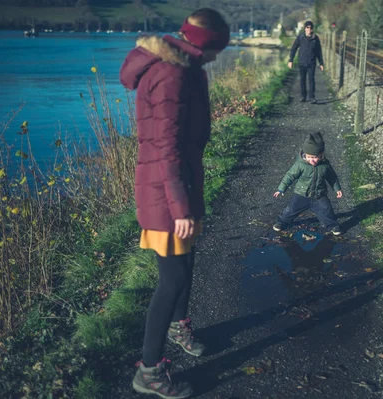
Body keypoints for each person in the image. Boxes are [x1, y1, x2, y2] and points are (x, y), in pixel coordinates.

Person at [119, 8, 229, 399]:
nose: (219, 57)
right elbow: (166, 148)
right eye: (218, 48)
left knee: (187, 263)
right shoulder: (172, 75)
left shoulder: (181, 66)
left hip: (177, 184)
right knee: (173, 279)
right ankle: (148, 371)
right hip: (167, 193)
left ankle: (178, 325)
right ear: (206, 44)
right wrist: (180, 207)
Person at [273, 132, 343, 235]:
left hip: (319, 195)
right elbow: (290, 176)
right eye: (309, 157)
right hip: (301, 194)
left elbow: (332, 178)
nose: (312, 160)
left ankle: (333, 226)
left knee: (326, 210)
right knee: (291, 209)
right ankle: (281, 222)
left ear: (321, 155)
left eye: (315, 157)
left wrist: (337, 189)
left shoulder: (325, 165)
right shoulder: (300, 165)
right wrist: (281, 189)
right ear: (305, 155)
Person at [288, 20, 324, 103]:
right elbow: (294, 48)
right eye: (307, 27)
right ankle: (303, 96)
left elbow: (319, 51)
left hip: (311, 62)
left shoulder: (315, 38)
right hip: (302, 62)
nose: (309, 29)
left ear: (312, 29)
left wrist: (321, 63)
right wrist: (291, 60)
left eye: (311, 28)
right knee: (302, 80)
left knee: (311, 80)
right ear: (305, 28)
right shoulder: (300, 38)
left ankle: (312, 97)